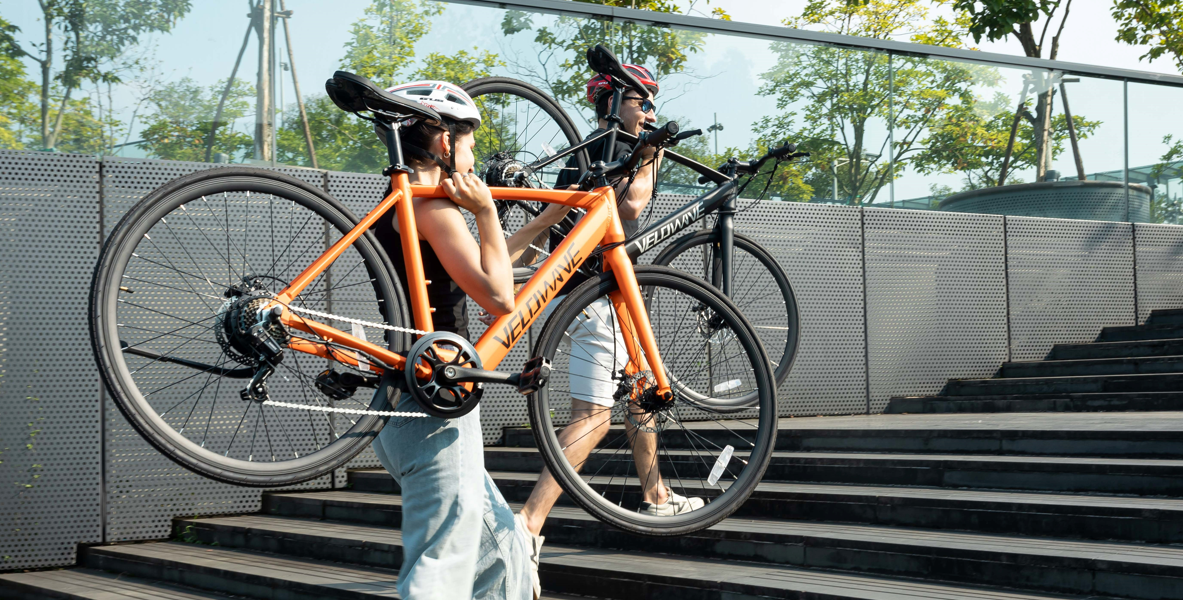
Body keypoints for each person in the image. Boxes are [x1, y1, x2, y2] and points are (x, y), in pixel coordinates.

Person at [366, 79, 566, 600]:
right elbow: (498, 295)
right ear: (442, 140)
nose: (475, 153)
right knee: (444, 563)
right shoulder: (435, 210)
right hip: (432, 407)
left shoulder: (408, 203)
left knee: (506, 554)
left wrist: (545, 221)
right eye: (471, 140)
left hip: (404, 400)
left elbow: (479, 263)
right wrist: (485, 211)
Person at [514, 64, 705, 551]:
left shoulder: (585, 152)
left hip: (587, 298)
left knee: (641, 390)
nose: (651, 112)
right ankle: (529, 524)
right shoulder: (620, 149)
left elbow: (547, 226)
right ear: (617, 102)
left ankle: (656, 494)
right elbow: (631, 207)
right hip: (597, 296)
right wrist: (653, 157)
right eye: (644, 102)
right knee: (593, 416)